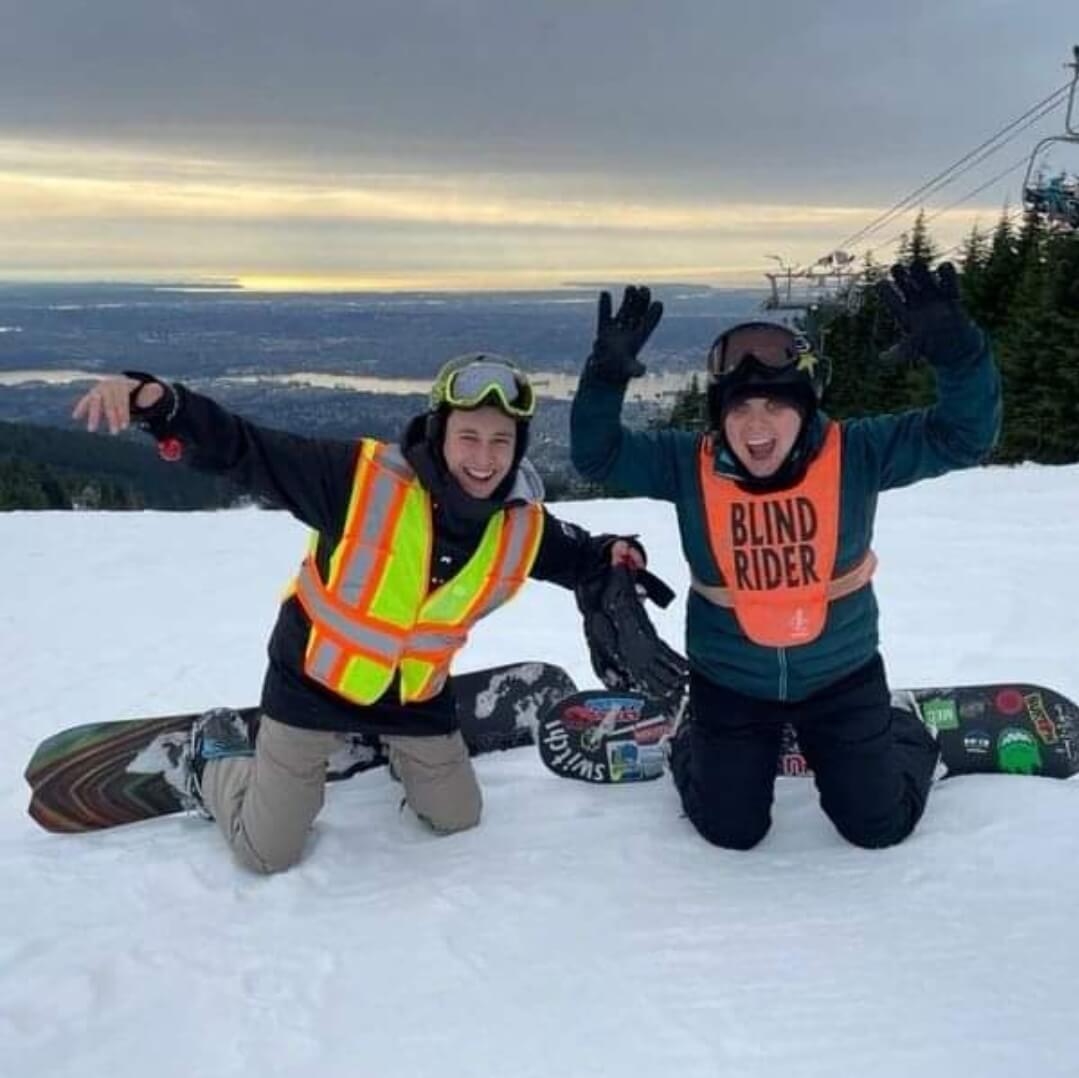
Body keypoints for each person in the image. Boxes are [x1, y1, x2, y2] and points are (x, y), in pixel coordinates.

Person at [73, 355, 647, 873]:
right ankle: (215, 753)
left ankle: (384, 745)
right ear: (440, 433)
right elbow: (247, 449)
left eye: (501, 442)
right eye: (468, 436)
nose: (483, 458)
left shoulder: (521, 524)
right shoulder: (360, 480)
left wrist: (618, 557)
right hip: (313, 684)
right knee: (266, 853)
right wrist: (161, 404)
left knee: (457, 818)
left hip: (413, 698)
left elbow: (582, 554)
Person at [570, 263, 1002, 850]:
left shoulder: (856, 453)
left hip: (841, 677)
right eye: (740, 408)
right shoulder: (687, 463)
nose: (756, 426)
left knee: (879, 827)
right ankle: (693, 739)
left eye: (774, 405)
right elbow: (599, 456)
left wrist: (959, 355)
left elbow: (963, 436)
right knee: (731, 831)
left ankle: (899, 727)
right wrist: (603, 378)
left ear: (804, 407)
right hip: (729, 683)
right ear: (720, 415)